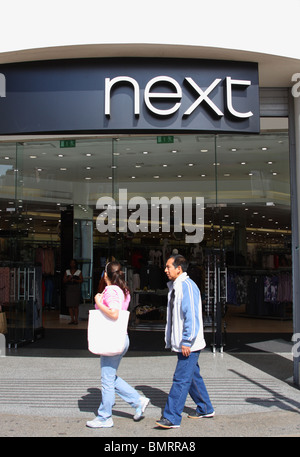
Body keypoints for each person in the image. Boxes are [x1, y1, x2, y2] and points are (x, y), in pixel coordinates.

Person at [86, 261, 150, 428]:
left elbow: (114, 313)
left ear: (106, 275)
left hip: (112, 338)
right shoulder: (123, 290)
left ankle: (105, 416)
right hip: (120, 337)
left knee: (107, 379)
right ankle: (137, 400)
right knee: (110, 377)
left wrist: (98, 302)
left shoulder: (112, 290)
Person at [156, 254, 214, 429]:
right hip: (183, 342)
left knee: (181, 378)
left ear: (178, 268)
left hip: (189, 343)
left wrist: (187, 340)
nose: (165, 270)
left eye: (168, 267)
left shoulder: (187, 286)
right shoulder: (176, 286)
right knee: (192, 376)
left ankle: (172, 417)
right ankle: (205, 408)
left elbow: (193, 317)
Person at [63, 259, 83, 325]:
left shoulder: (78, 272)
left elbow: (81, 280)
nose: (72, 264)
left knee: (75, 305)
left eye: (73, 263)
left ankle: (76, 319)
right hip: (69, 288)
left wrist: (75, 280)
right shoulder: (67, 271)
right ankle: (72, 319)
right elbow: (64, 280)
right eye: (71, 263)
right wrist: (68, 279)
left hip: (76, 288)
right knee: (70, 305)